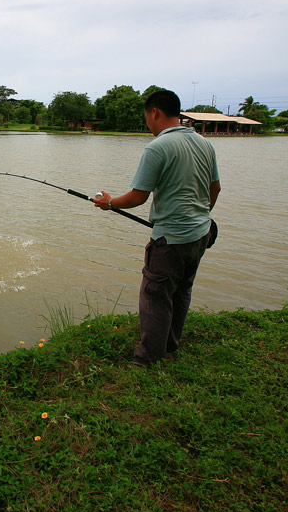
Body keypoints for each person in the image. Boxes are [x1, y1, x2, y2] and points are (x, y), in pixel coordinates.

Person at [93, 90, 220, 366]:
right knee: (181, 290)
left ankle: (148, 359)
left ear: (154, 112)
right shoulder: (203, 143)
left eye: (146, 117)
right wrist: (199, 215)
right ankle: (170, 344)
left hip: (171, 240)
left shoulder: (157, 147)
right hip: (200, 234)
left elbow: (138, 197)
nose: (148, 123)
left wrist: (109, 203)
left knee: (155, 294)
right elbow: (215, 188)